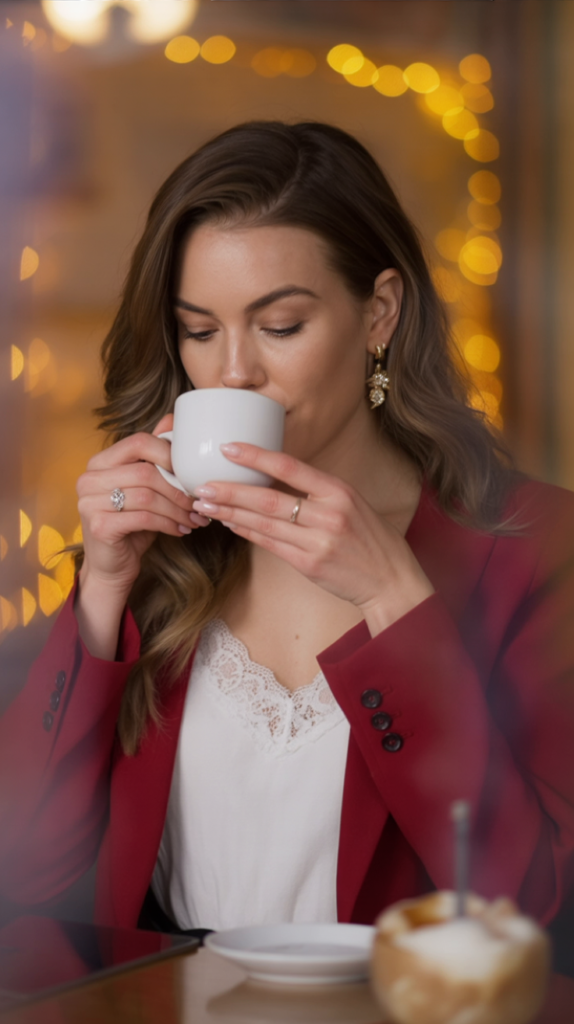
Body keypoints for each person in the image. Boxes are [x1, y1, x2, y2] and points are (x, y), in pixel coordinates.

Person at [0, 122, 573, 948]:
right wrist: (101, 591)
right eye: (200, 331)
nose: (234, 372)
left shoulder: (536, 548)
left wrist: (393, 596)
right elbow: (28, 870)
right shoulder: (166, 558)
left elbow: (530, 905)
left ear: (379, 313)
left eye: (280, 326)